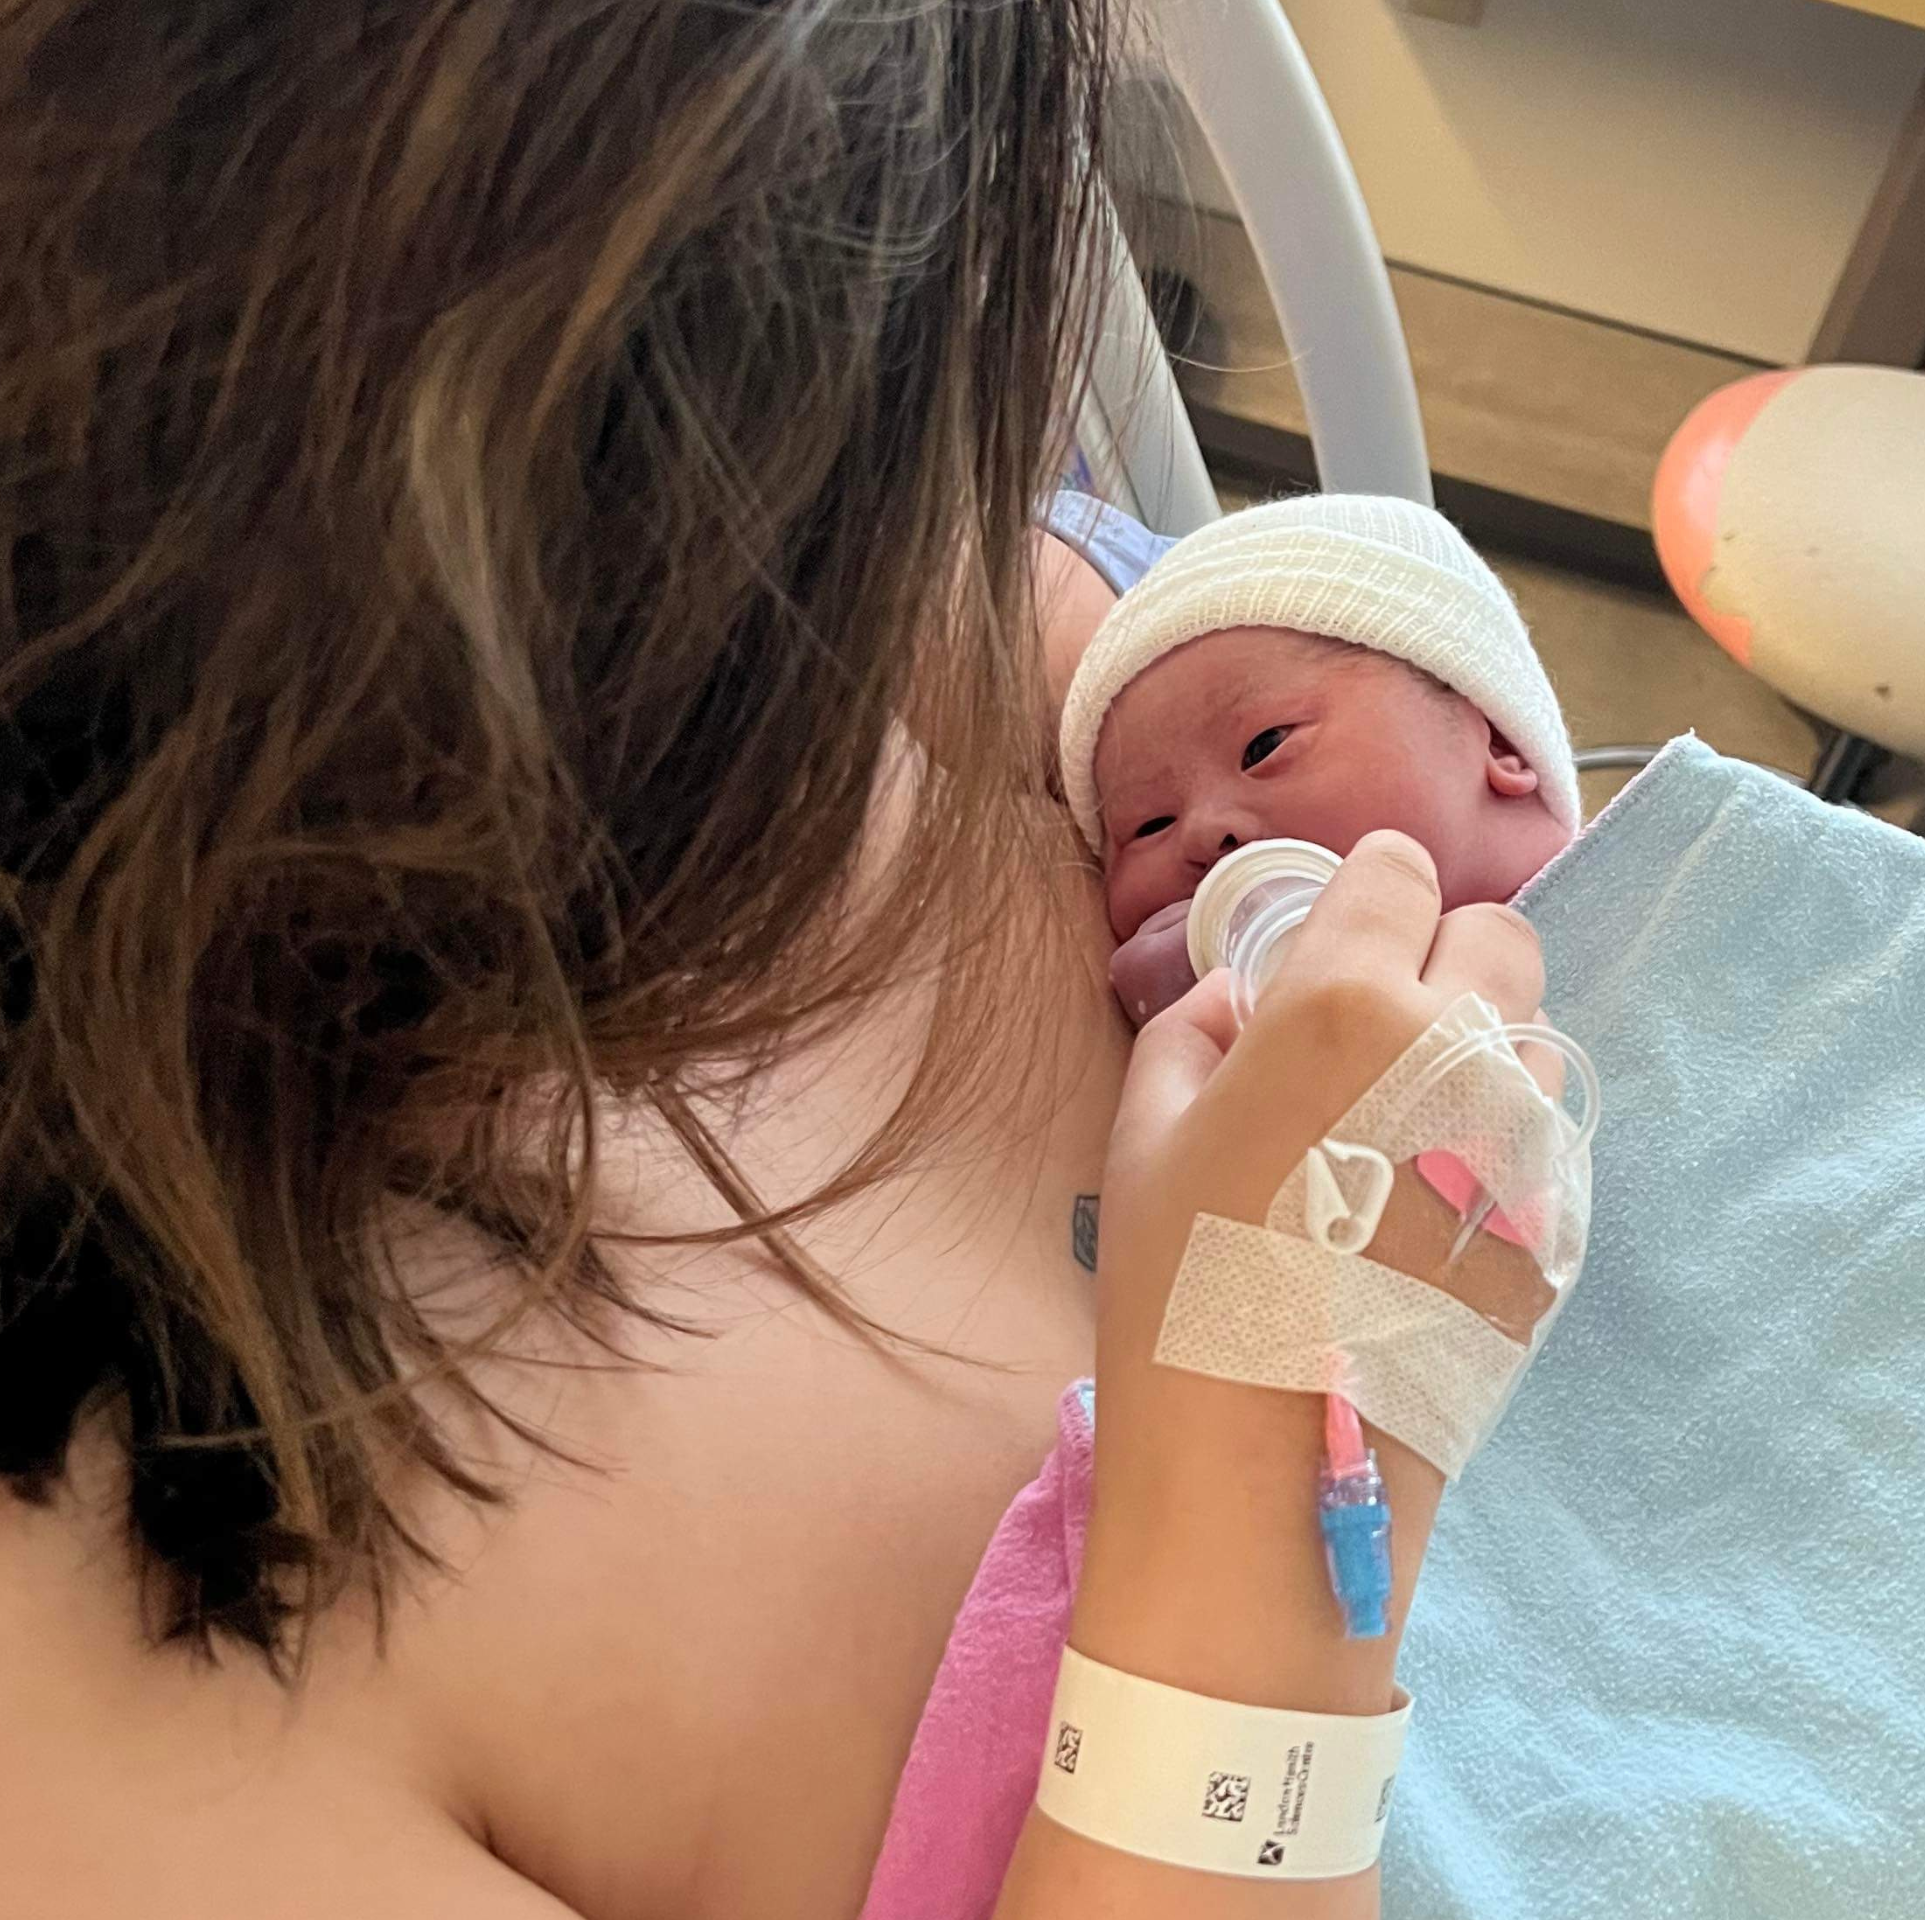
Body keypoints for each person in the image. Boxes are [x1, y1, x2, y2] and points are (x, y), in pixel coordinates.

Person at [0, 5, 1548, 1916]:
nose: (925, 561)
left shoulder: (809, 556)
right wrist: (1275, 1513)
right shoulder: (112, 1709)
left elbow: (1158, 652)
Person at [1056, 494, 1583, 1025]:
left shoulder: (1661, 885)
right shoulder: (1213, 1048)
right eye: (1150, 825)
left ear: (1497, 744)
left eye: (1265, 746)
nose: (1202, 832)